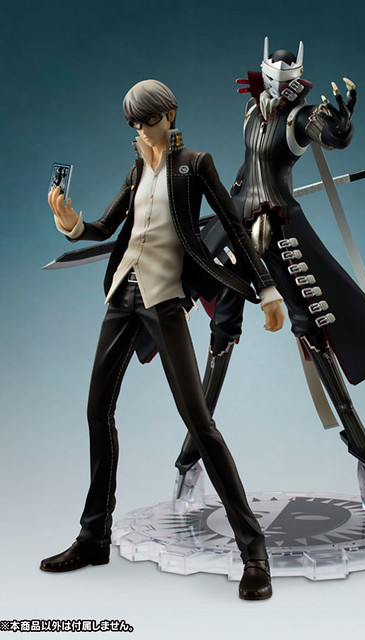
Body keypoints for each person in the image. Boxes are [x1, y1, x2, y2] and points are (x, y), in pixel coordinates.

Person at [40, 78, 285, 601]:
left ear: (169, 115)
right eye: (134, 123)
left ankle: (254, 552)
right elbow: (107, 226)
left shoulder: (195, 165)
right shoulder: (137, 169)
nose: (142, 129)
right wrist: (72, 223)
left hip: (164, 299)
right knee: (97, 411)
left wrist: (266, 289)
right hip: (122, 296)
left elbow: (234, 227)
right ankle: (93, 537)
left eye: (149, 120)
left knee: (199, 421)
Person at [174, 39, 365, 518]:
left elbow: (327, 133)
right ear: (263, 71)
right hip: (237, 224)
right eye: (273, 75)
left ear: (296, 78)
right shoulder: (251, 109)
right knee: (221, 330)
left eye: (288, 77)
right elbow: (247, 167)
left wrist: (340, 128)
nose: (279, 84)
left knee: (312, 327)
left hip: (279, 229)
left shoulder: (299, 117)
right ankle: (188, 464)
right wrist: (224, 207)